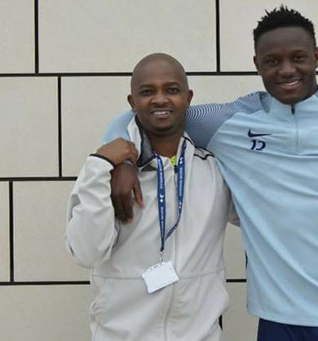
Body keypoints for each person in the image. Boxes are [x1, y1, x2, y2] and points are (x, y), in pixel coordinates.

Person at [103, 6, 318, 341]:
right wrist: (122, 160)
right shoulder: (227, 122)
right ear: (257, 64)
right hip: (281, 320)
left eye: (298, 57)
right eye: (272, 61)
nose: (287, 70)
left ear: (316, 56)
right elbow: (144, 115)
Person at [66, 53, 235, 341]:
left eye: (171, 90)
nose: (160, 100)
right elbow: (86, 252)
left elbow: (262, 216)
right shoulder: (103, 172)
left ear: (188, 97)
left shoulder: (216, 170)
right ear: (132, 102)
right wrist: (100, 166)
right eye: (147, 92)